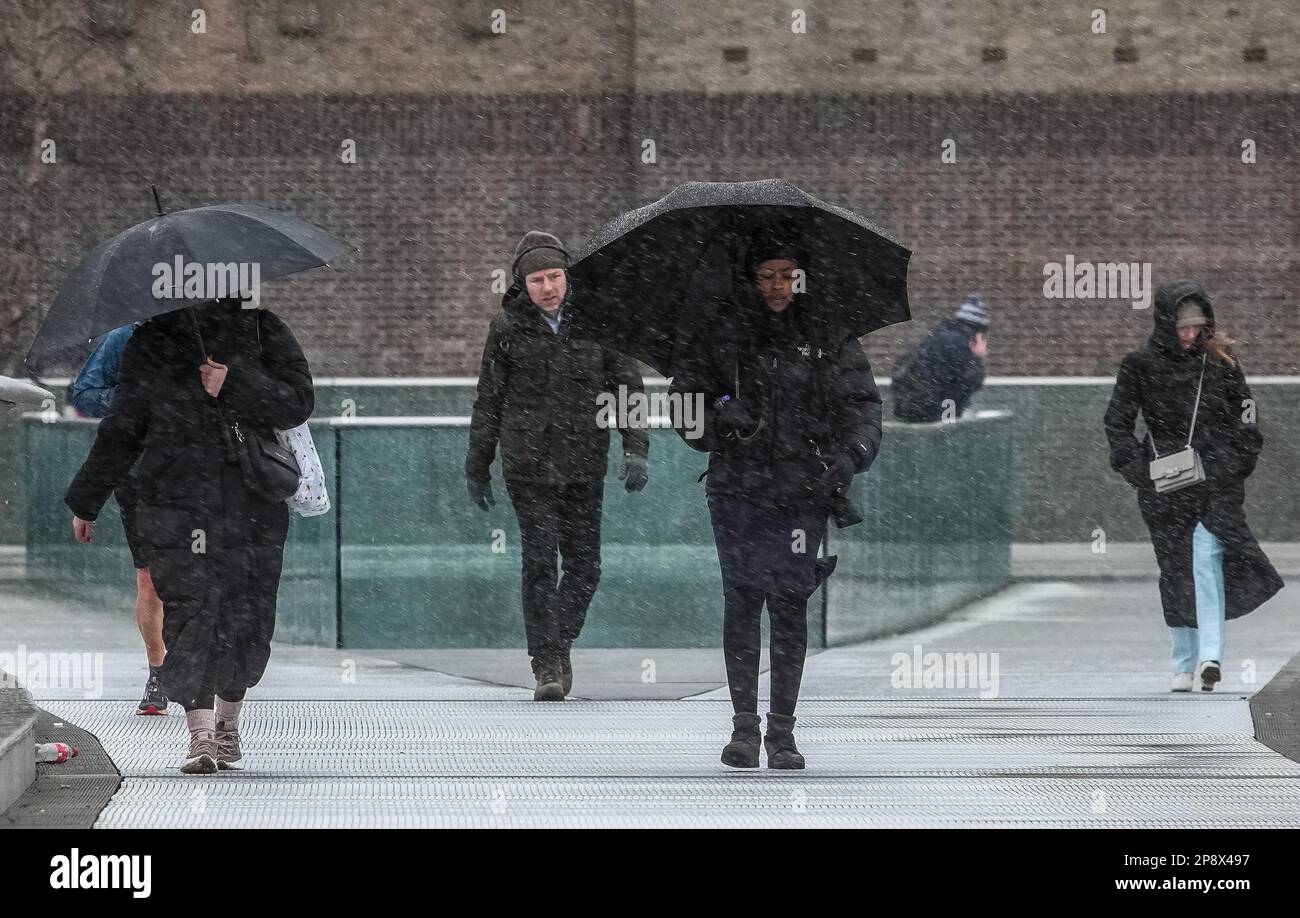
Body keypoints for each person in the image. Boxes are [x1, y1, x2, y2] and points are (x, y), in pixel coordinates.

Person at [65, 296, 313, 773]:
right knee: (190, 606)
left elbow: (297, 404)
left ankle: (228, 725)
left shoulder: (263, 330)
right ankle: (200, 732)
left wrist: (232, 383)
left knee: (247, 609)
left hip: (250, 499)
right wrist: (87, 498)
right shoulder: (152, 339)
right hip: (175, 499)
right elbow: (124, 427)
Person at [669, 238, 882, 769]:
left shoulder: (828, 333)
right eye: (767, 275)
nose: (778, 286)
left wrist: (851, 457)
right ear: (751, 278)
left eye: (788, 274)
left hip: (803, 493)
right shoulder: (721, 332)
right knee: (742, 599)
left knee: (789, 603)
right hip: (736, 490)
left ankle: (783, 734)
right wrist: (721, 413)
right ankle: (743, 728)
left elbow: (863, 408)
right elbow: (686, 403)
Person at [466, 231, 650, 700]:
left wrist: (636, 448)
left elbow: (628, 386)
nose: (547, 288)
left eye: (554, 277)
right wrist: (478, 462)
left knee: (586, 566)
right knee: (540, 562)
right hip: (528, 465)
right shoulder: (507, 327)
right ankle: (546, 662)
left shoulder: (600, 320)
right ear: (521, 284)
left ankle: (558, 642)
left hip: (585, 460)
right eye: (536, 280)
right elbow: (489, 399)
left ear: (567, 276)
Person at [1104, 281, 1283, 692]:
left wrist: (1238, 461)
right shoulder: (1139, 365)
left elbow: (1246, 414)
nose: (1191, 334)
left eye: (1198, 327)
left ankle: (1210, 657)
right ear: (1166, 324)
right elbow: (1117, 422)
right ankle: (1184, 661)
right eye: (1184, 327)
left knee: (1205, 560)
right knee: (1175, 570)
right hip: (1165, 486)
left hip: (1217, 483)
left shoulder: (1221, 362)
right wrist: (1140, 471)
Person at [69, 322, 169, 716]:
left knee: (198, 577)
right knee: (150, 579)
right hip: (139, 475)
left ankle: (199, 670)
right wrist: (132, 399)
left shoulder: (207, 335)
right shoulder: (125, 337)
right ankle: (159, 672)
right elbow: (85, 394)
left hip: (199, 475)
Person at [891, 295, 989, 423]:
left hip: (912, 408)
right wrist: (977, 357)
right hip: (935, 411)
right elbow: (968, 382)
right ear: (978, 330)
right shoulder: (960, 343)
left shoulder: (940, 336)